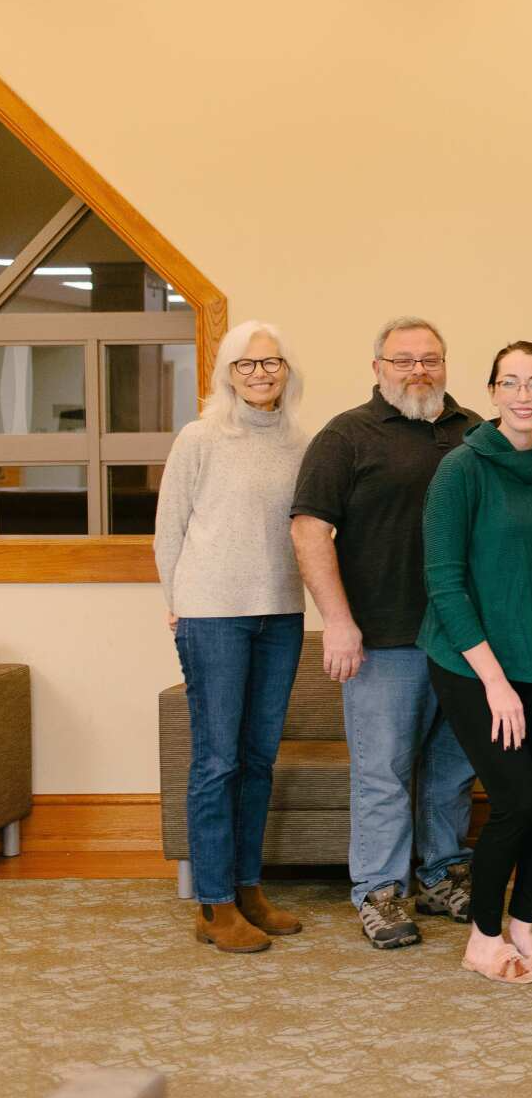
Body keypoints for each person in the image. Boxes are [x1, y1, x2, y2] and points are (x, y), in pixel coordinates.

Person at [290, 316, 481, 948]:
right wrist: (338, 623)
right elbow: (309, 530)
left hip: (461, 639)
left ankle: (442, 874)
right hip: (382, 638)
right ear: (377, 368)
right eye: (403, 361)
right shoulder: (346, 436)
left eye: (430, 359)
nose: (418, 371)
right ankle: (380, 890)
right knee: (384, 772)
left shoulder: (476, 433)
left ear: (446, 364)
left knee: (453, 769)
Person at [420, 341, 532, 984]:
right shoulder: (462, 469)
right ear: (491, 392)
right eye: (510, 382)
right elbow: (444, 582)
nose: (523, 394)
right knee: (517, 799)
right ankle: (483, 935)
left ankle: (522, 924)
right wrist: (495, 683)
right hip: (472, 664)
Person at [155, 320, 308, 953]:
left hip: (281, 614)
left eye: (271, 364)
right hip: (213, 613)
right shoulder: (200, 437)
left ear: (286, 371)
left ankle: (248, 889)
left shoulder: (303, 442)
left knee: (257, 759)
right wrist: (177, 603)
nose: (260, 375)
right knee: (216, 759)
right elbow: (169, 529)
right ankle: (213, 904)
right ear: (227, 374)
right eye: (246, 366)